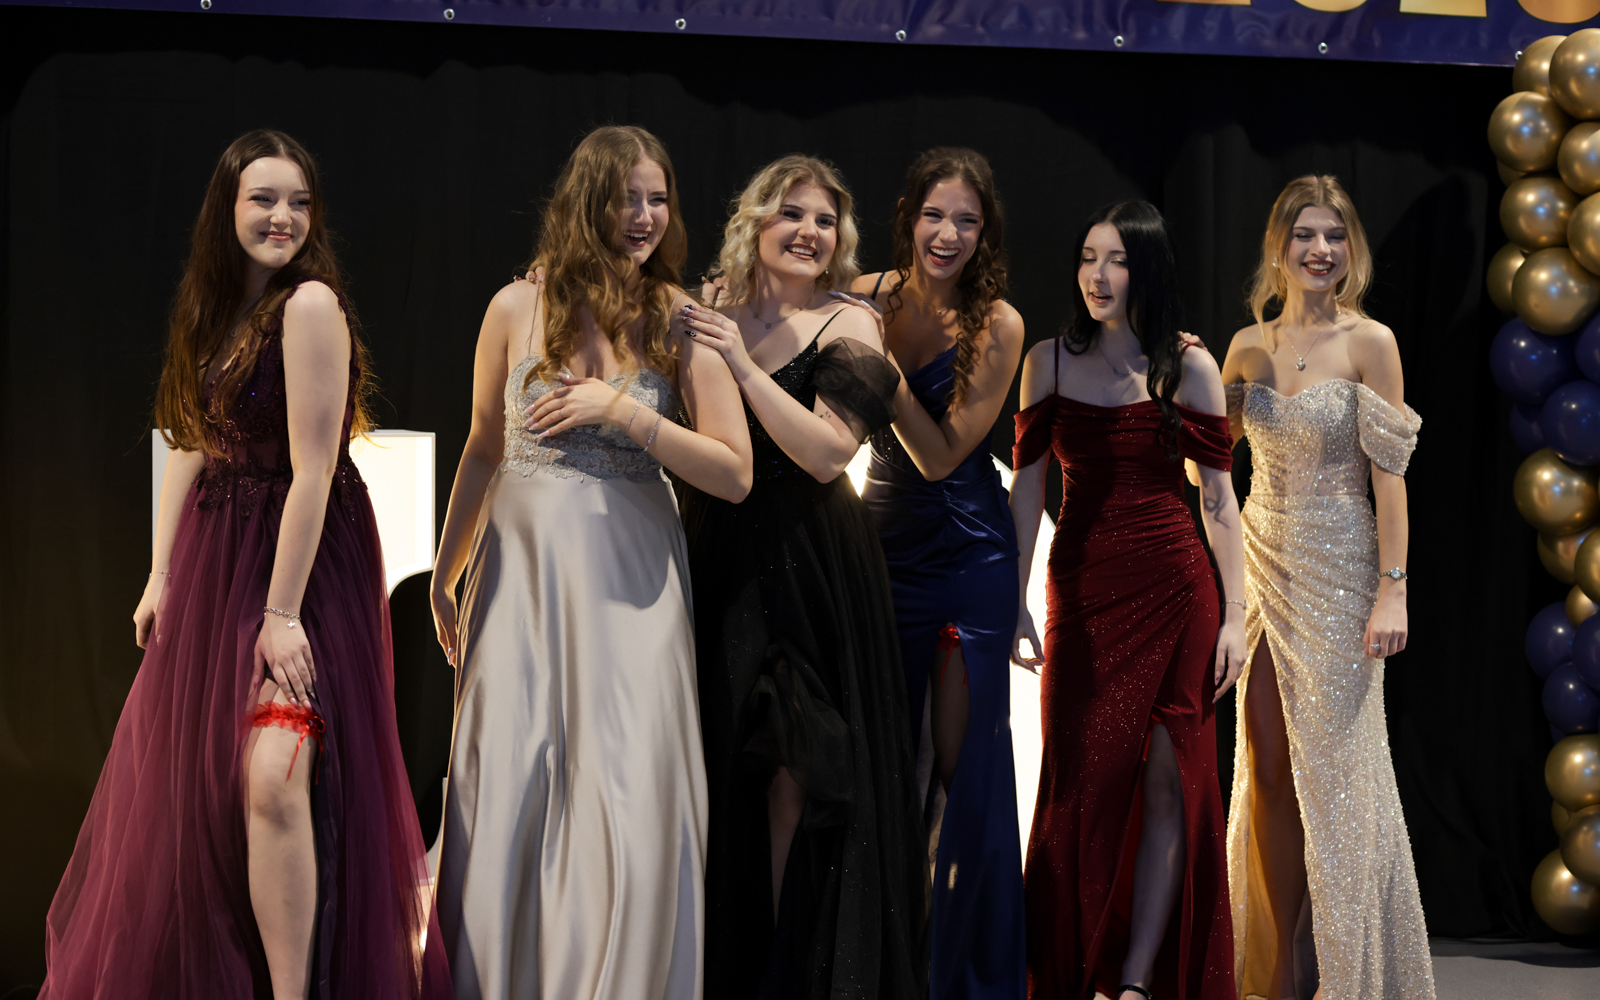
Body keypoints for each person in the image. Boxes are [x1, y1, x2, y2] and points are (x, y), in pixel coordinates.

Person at [41, 129, 449, 999]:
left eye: (299, 202)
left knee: (274, 772)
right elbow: (191, 441)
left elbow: (313, 471)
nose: (282, 217)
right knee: (205, 790)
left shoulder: (310, 306)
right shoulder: (217, 309)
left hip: (300, 565)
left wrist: (281, 613)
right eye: (264, 199)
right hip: (218, 560)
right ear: (226, 208)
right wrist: (161, 573)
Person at [427, 125, 752, 1000]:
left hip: (630, 571)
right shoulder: (514, 307)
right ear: (586, 201)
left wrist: (623, 411)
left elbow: (734, 471)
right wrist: (446, 573)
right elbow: (483, 448)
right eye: (626, 198)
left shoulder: (679, 318)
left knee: (625, 774)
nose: (645, 216)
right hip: (522, 571)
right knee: (512, 770)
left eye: (658, 198)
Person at [678, 154, 927, 1000]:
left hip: (813, 565)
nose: (809, 232)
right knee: (722, 764)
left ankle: (786, 971)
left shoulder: (850, 323)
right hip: (720, 554)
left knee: (797, 766)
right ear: (755, 221)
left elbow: (827, 454)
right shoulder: (711, 309)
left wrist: (744, 367)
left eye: (824, 220)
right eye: (791, 214)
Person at [1010, 201, 1244, 1000]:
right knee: (1078, 783)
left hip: (1178, 589)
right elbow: (1026, 491)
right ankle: (1068, 973)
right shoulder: (1047, 361)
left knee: (1173, 781)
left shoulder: (1190, 366)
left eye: (1115, 260)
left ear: (1147, 269)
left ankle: (1139, 982)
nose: (1097, 276)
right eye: (1087, 258)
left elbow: (1219, 501)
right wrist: (1014, 597)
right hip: (1082, 589)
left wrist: (1237, 616)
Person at [1219, 176, 1432, 1000]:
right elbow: (1209, 466)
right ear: (1279, 246)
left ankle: (1347, 969)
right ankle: (1283, 966)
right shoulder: (1247, 346)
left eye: (1334, 236)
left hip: (1343, 572)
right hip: (1263, 562)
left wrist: (1393, 590)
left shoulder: (1371, 342)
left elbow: (1391, 481)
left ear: (1351, 249)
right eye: (1305, 234)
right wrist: (1192, 383)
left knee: (1340, 781)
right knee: (1268, 766)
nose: (1320, 250)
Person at [852, 148, 1027, 1000]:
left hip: (967, 555)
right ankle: (891, 963)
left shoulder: (1000, 324)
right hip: (881, 547)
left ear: (984, 231)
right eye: (934, 215)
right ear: (908, 216)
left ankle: (968, 974)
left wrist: (878, 370)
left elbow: (939, 455)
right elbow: (759, 302)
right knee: (888, 763)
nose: (947, 234)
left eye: (966, 219)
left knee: (961, 772)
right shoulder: (865, 294)